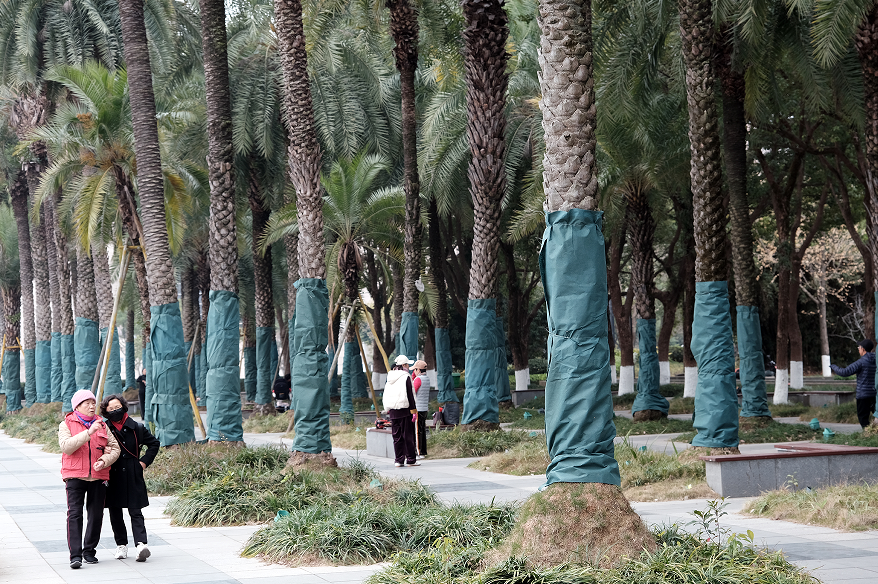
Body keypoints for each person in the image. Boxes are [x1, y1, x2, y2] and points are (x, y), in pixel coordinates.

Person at [58, 389, 120, 569]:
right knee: (75, 514)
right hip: (75, 476)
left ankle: (89, 551)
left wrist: (104, 460)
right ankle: (75, 555)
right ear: (77, 406)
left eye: (94, 403)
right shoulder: (66, 424)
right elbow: (66, 447)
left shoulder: (102, 424)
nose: (92, 406)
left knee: (96, 515)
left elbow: (115, 448)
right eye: (88, 403)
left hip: (98, 476)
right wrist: (88, 432)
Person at [101, 394, 160, 562]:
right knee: (115, 511)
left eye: (117, 407)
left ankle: (141, 544)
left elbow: (154, 444)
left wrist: (143, 463)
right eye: (110, 409)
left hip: (133, 473)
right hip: (112, 474)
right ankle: (121, 545)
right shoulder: (104, 429)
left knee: (135, 510)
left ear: (124, 407)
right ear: (105, 412)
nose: (115, 411)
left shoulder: (137, 428)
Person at [830, 339, 876, 429]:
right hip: (875, 394)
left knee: (863, 418)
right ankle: (873, 434)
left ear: (863, 349)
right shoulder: (876, 360)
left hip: (863, 395)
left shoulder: (861, 362)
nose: (858, 349)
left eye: (859, 347)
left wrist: (833, 366)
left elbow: (845, 372)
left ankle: (868, 434)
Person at [382, 355, 419, 467]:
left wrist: (387, 408)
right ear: (403, 365)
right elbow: (410, 395)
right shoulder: (406, 377)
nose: (408, 366)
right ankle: (411, 459)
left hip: (393, 411)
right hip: (405, 410)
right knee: (408, 436)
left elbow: (386, 394)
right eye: (407, 364)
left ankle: (398, 460)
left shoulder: (389, 377)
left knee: (396, 437)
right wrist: (414, 411)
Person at [411, 360, 430, 458]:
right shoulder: (426, 379)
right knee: (422, 430)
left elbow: (413, 392)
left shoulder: (418, 379)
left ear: (418, 370)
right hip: (424, 408)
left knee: (417, 431)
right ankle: (423, 451)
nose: (413, 371)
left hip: (418, 408)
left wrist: (413, 378)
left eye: (414, 369)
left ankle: (418, 452)